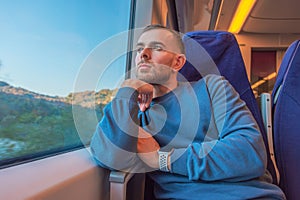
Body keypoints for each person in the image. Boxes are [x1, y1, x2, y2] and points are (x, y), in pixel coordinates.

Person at [90, 24, 286, 199]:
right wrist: (128, 89)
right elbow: (109, 156)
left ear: (177, 62)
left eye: (156, 48)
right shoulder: (136, 116)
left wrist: (163, 159)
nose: (143, 54)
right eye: (140, 49)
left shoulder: (211, 87)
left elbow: (249, 154)